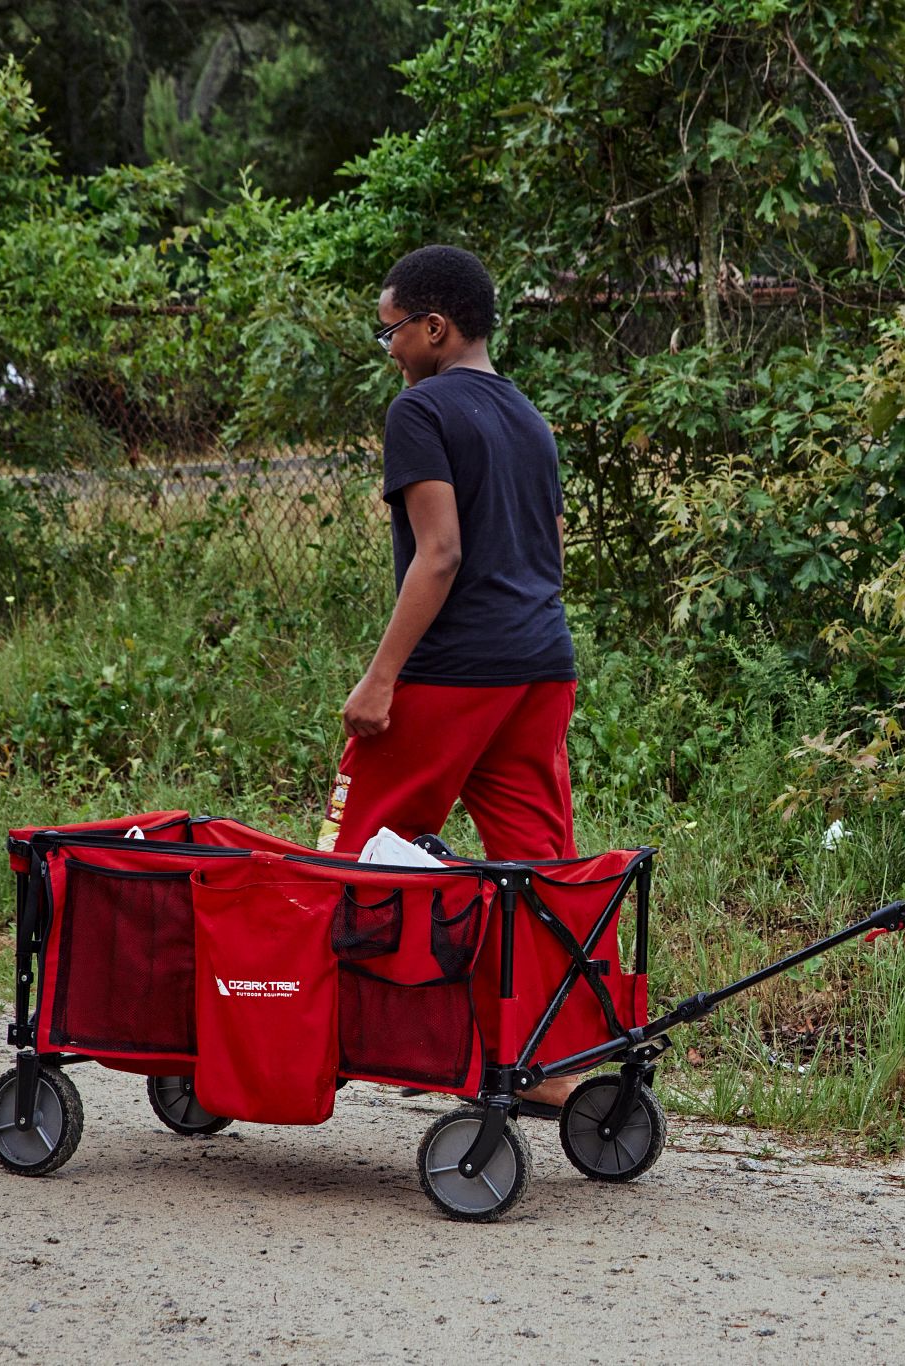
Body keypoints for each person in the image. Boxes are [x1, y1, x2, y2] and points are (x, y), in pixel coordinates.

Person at [315, 243, 579, 1112]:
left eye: (390, 330)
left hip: (451, 676)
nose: (388, 348)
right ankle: (551, 1062)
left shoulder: (420, 410)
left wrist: (379, 680)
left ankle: (313, 1033)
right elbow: (553, 555)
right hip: (540, 670)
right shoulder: (529, 418)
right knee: (539, 871)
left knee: (360, 856)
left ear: (435, 327)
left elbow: (440, 555)